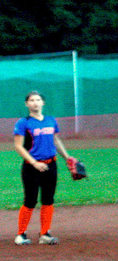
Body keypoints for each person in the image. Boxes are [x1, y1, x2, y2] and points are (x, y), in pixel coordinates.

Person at [12, 91, 76, 245]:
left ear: (43, 103)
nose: (35, 102)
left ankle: (45, 234)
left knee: (48, 200)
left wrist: (67, 157)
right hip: (31, 167)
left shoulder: (51, 121)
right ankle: (21, 234)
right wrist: (34, 163)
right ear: (27, 104)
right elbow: (18, 146)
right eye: (32, 100)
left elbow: (55, 140)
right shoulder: (23, 123)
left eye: (38, 99)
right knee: (30, 200)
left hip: (50, 165)